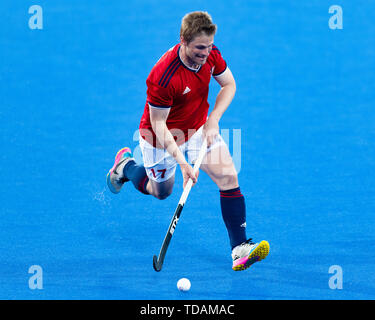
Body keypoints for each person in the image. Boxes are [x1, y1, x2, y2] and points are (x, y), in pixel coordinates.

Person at [106, 11, 269, 271]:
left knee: (228, 177)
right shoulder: (163, 76)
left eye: (209, 46)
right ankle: (126, 166)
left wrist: (213, 118)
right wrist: (183, 163)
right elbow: (158, 125)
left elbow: (229, 85)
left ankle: (239, 249)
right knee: (161, 192)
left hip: (198, 129)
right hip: (160, 139)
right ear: (183, 40)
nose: (205, 54)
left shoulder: (211, 54)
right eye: (199, 48)